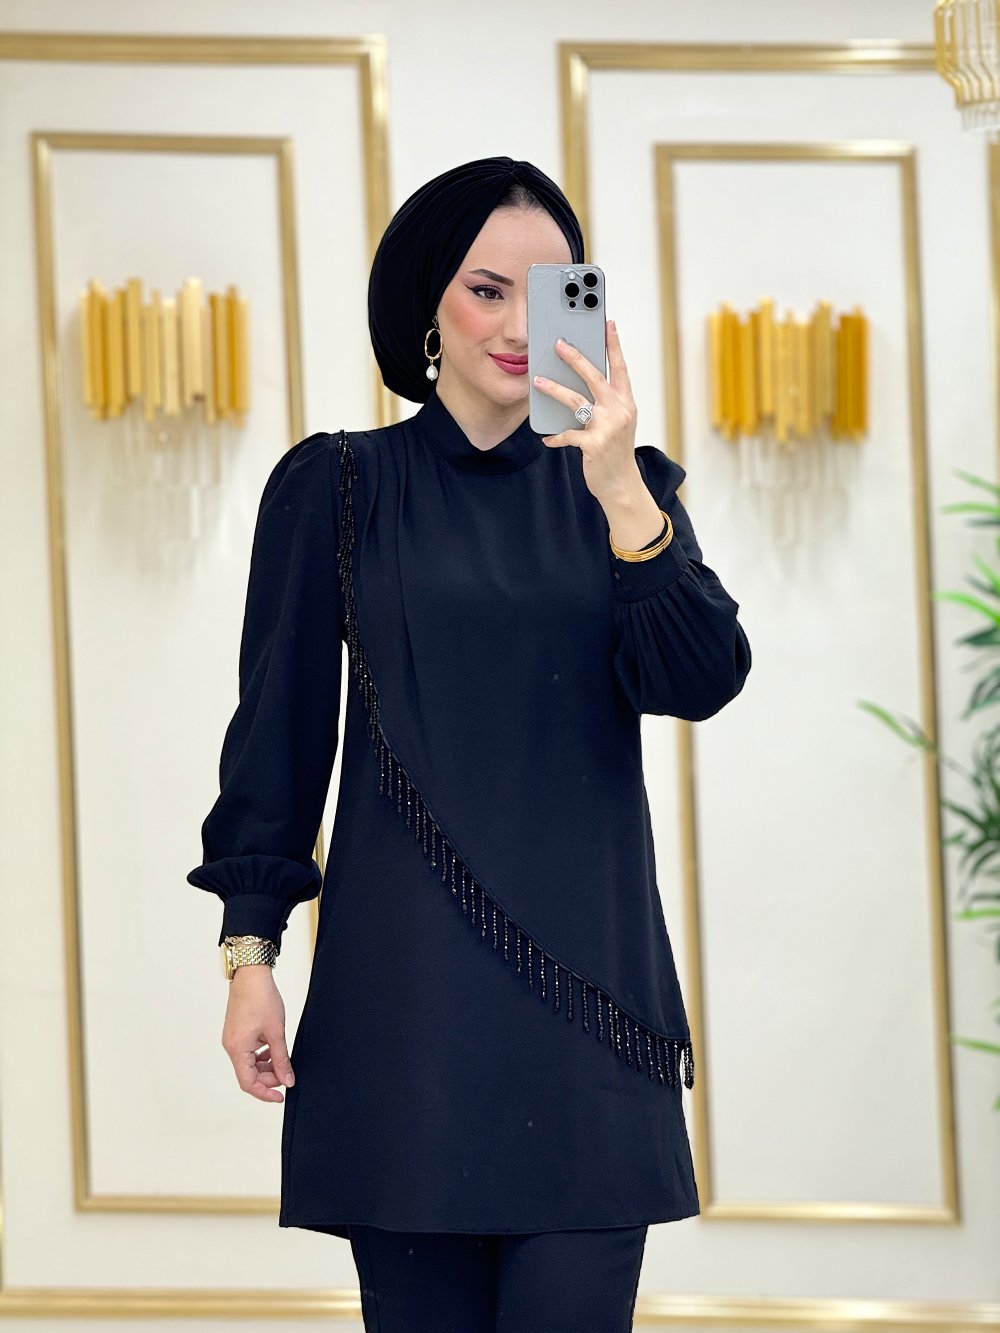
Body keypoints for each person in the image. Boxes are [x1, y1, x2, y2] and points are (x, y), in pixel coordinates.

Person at [187, 156, 751, 1332]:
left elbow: (701, 678)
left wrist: (619, 488)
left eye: (548, 294)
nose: (517, 326)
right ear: (426, 306)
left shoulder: (627, 492)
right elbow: (277, 736)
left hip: (590, 1013)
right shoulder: (339, 486)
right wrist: (250, 954)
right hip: (408, 1016)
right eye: (486, 290)